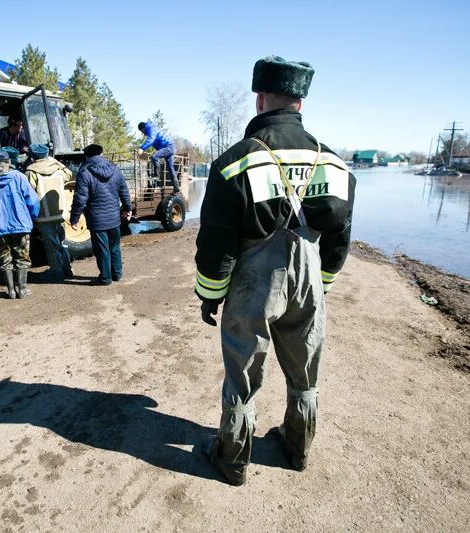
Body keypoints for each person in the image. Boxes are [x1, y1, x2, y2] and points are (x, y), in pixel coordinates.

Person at [195, 56, 356, 486]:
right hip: (309, 278)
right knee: (305, 369)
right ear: (300, 102)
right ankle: (297, 447)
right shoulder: (336, 164)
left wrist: (210, 293)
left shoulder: (235, 162)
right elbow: (339, 237)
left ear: (260, 98)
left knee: (243, 371)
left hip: (254, 284)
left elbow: (216, 242)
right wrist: (321, 284)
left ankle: (231, 459)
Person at [0, 149, 41, 298]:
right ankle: (23, 290)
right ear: (9, 161)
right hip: (20, 224)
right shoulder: (19, 176)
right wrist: (32, 218)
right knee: (22, 257)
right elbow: (33, 201)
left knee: (5, 259)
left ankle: (11, 291)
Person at [69, 144, 132, 285]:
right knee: (115, 247)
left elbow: (80, 198)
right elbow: (124, 191)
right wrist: (128, 209)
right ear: (101, 153)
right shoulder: (115, 169)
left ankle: (105, 277)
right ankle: (117, 274)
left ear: (86, 156)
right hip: (114, 217)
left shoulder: (84, 172)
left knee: (102, 249)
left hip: (97, 220)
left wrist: (74, 219)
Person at [24, 144, 74, 281]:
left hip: (43, 215)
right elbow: (69, 175)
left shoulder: (31, 172)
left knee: (50, 245)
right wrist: (55, 161)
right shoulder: (58, 170)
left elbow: (29, 192)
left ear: (32, 156)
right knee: (60, 242)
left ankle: (56, 272)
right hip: (60, 211)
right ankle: (67, 269)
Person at [137, 120, 179, 193]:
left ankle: (157, 175)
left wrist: (142, 148)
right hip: (170, 147)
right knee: (170, 168)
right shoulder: (151, 129)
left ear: (143, 128)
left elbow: (151, 140)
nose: (142, 133)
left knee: (154, 157)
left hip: (168, 147)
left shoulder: (151, 129)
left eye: (141, 131)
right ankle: (176, 188)